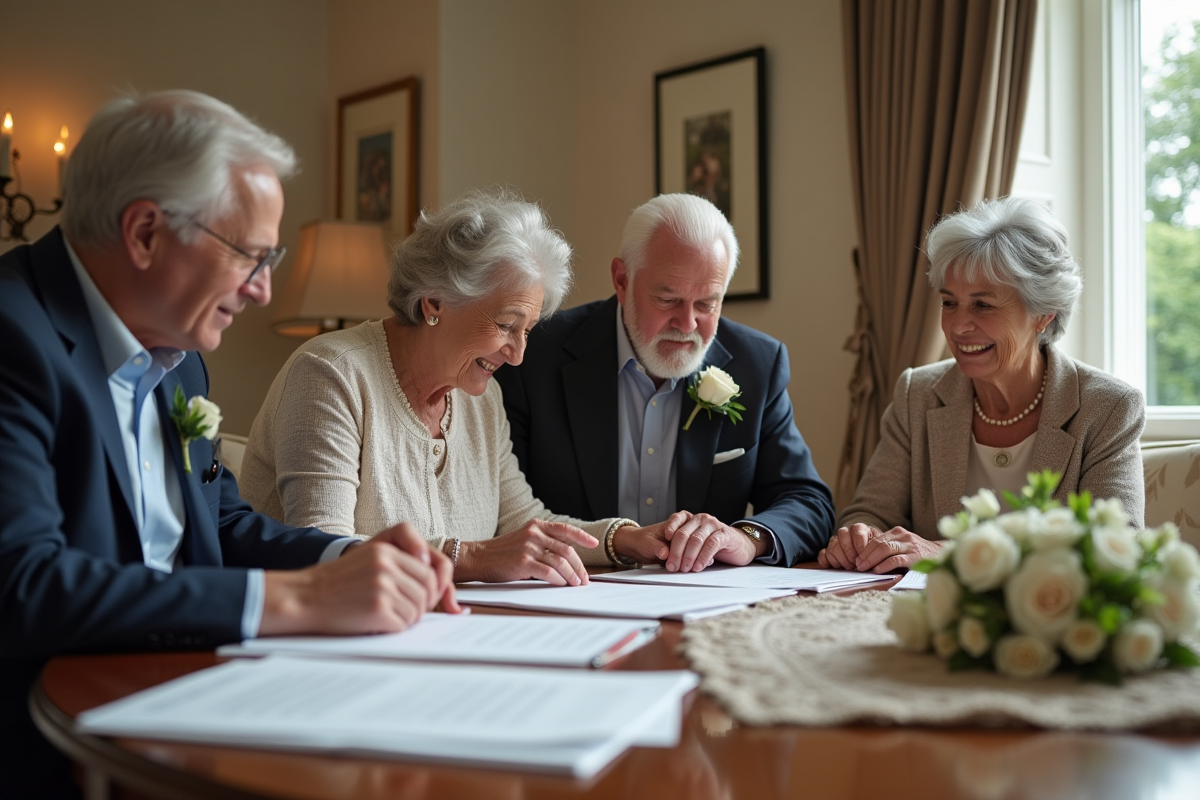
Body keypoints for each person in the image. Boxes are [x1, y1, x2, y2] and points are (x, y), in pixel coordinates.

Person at [0, 90, 456, 799]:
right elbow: (22, 585)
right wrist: (301, 599)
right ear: (145, 233)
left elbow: (220, 523)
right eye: (251, 255)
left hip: (195, 701)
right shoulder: (13, 337)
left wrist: (348, 557)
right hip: (51, 746)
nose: (264, 290)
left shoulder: (180, 356)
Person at [241, 189, 677, 581]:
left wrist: (627, 539)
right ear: (434, 302)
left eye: (527, 331)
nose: (517, 354)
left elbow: (521, 521)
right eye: (506, 325)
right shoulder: (331, 374)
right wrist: (468, 556)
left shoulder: (480, 399)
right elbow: (322, 546)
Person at [494, 193, 836, 572]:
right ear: (622, 280)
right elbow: (502, 507)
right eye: (668, 299)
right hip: (571, 586)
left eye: (707, 304)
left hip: (702, 598)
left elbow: (809, 502)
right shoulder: (534, 356)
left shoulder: (757, 364)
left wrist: (746, 538)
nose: (687, 324)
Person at [822, 196, 1145, 574]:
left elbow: (1119, 546)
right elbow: (871, 511)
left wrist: (950, 552)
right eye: (949, 303)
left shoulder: (1107, 407)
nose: (958, 326)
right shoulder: (917, 394)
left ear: (1043, 313)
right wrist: (860, 537)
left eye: (983, 306)